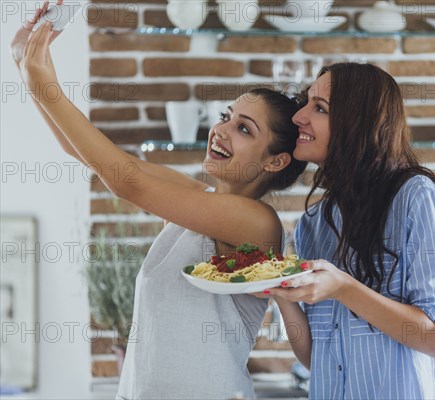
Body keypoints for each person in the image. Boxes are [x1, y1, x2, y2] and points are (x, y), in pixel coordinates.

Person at [12, 8, 307, 399]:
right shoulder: (195, 201)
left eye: (243, 129)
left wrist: (42, 81)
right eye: (226, 116)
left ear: (275, 161)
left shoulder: (256, 222)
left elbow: (125, 183)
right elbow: (91, 157)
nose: (220, 131)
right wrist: (30, 68)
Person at [264, 63, 435, 399]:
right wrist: (277, 289)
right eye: (306, 103)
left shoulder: (415, 197)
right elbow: (318, 360)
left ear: (357, 124)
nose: (299, 116)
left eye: (319, 108)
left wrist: (343, 287)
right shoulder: (314, 224)